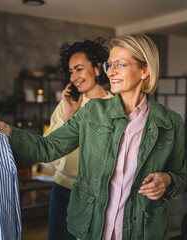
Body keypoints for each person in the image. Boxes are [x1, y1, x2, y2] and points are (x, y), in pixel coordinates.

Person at [0, 33, 187, 240]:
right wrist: (0, 127)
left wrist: (168, 179)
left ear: (145, 70)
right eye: (110, 65)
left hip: (144, 231)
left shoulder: (170, 122)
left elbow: (180, 176)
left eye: (120, 64)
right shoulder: (92, 111)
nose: (111, 72)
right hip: (93, 229)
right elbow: (46, 148)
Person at [42, 38, 113, 240]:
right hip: (63, 190)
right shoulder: (67, 104)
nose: (74, 76)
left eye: (79, 69)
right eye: (71, 71)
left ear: (98, 69)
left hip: (99, 194)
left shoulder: (115, 107)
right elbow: (48, 150)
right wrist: (67, 118)